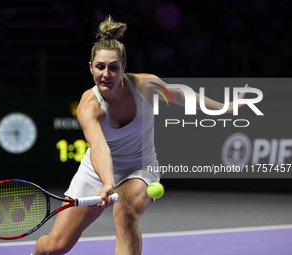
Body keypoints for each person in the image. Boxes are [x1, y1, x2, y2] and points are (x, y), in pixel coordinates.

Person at [32, 15, 247, 255]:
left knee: (125, 213)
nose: (106, 74)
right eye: (100, 67)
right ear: (90, 67)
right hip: (97, 172)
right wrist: (107, 183)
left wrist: (226, 107)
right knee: (55, 246)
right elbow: (99, 147)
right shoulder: (89, 106)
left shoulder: (146, 87)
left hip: (140, 166)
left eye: (113, 68)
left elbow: (181, 96)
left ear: (123, 68)